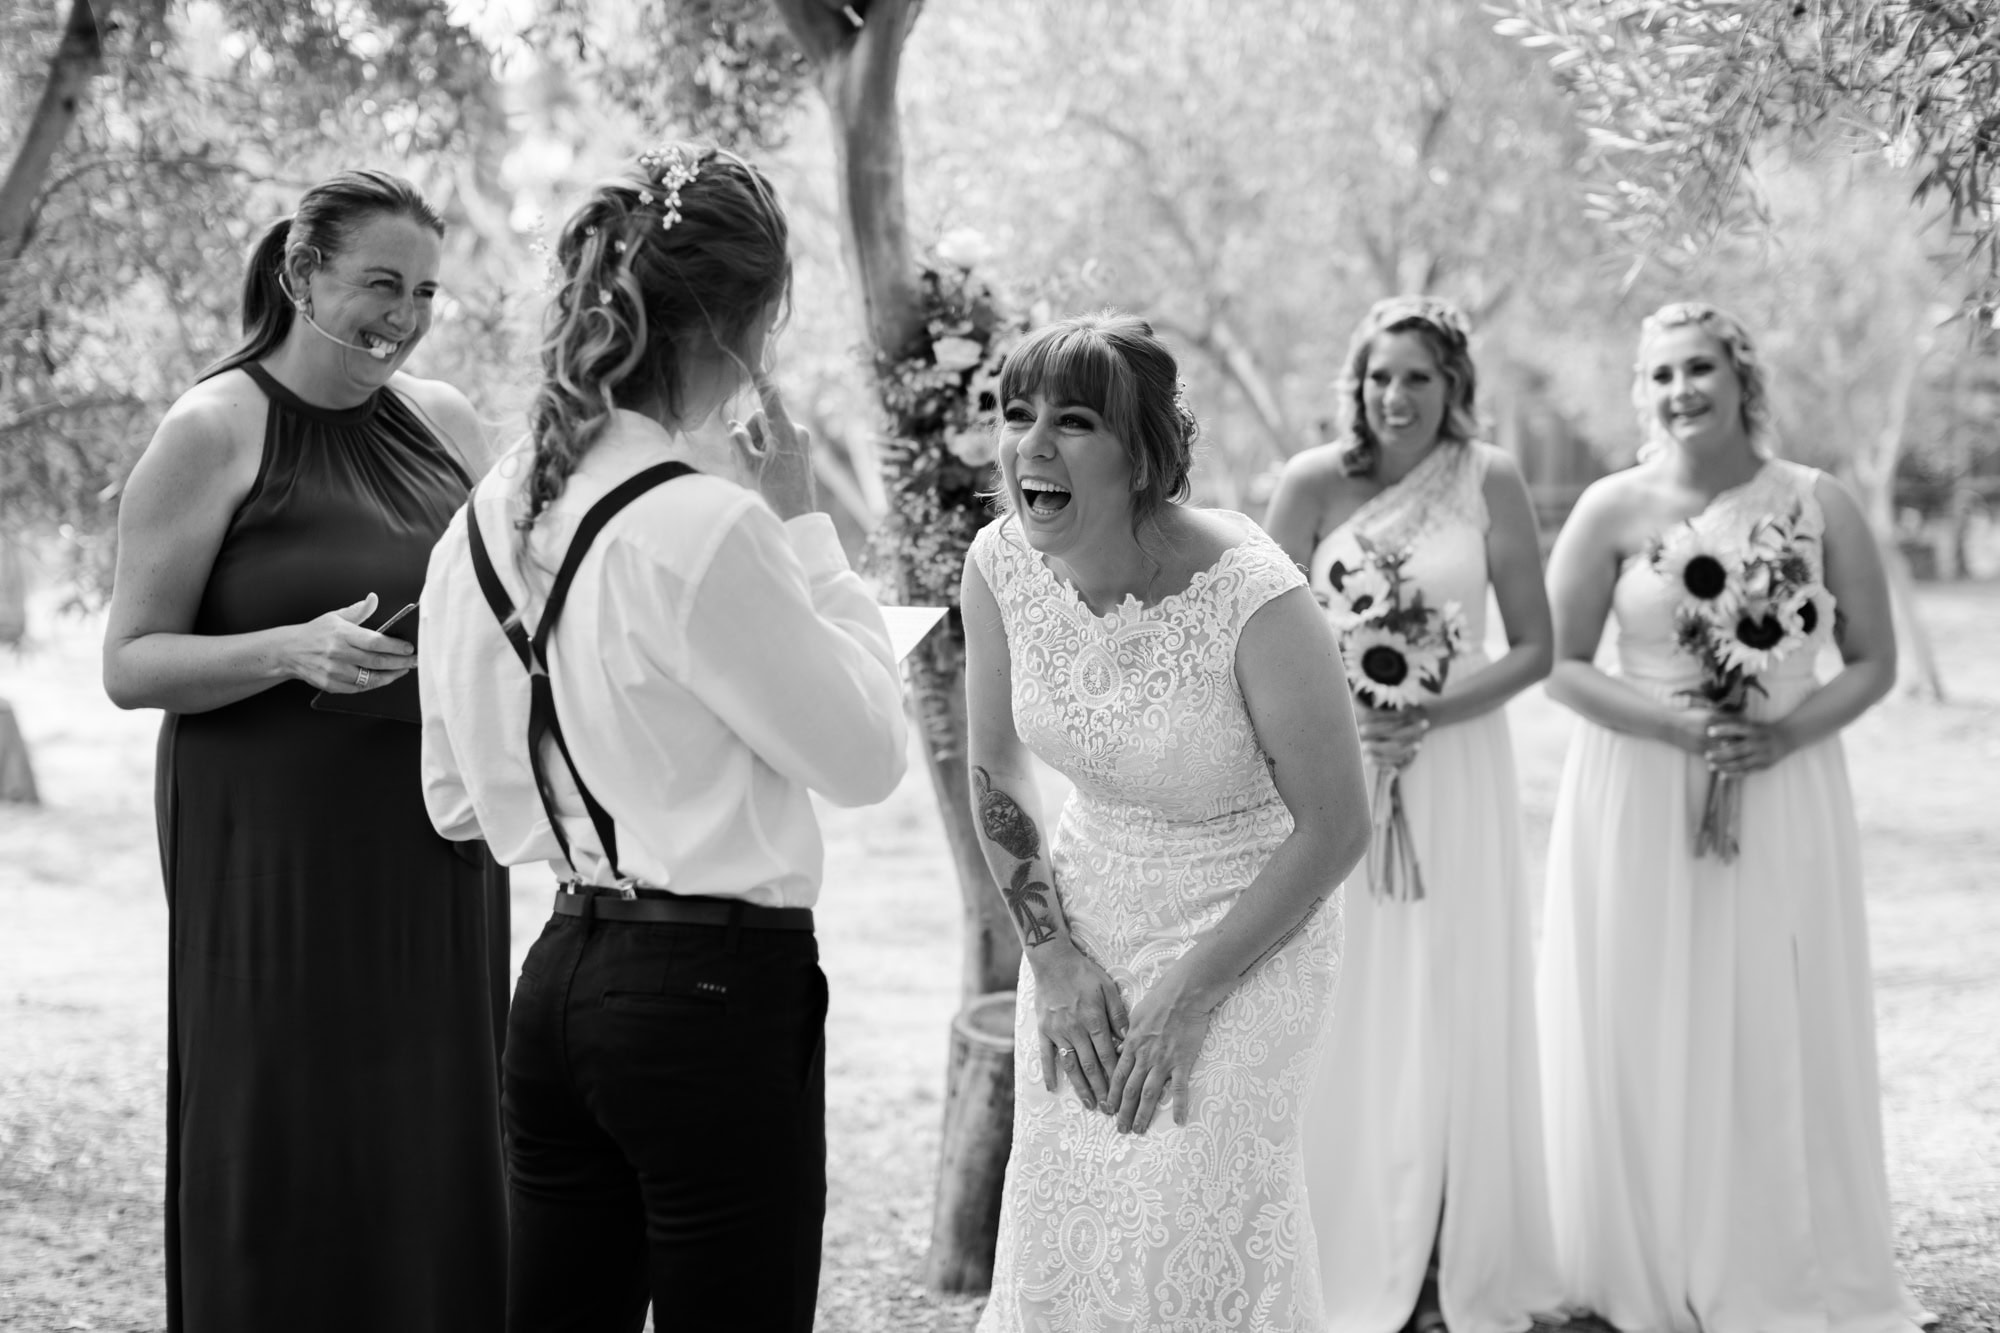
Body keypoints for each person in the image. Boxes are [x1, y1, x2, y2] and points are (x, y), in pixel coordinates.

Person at [417, 145, 908, 1333]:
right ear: (746, 324)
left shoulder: (481, 522)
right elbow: (863, 760)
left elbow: (458, 804)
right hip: (714, 1001)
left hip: (558, 982)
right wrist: (805, 529)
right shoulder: (711, 526)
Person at [101, 170, 509, 1331]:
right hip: (270, 854)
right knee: (285, 1115)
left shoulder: (450, 421)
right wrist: (290, 650)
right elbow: (130, 662)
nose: (406, 314)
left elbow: (503, 609)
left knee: (437, 1123)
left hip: (438, 841)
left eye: (425, 290)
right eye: (381, 283)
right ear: (299, 274)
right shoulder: (212, 428)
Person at [964, 312, 1370, 1331]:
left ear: (1142, 455)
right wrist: (1050, 956)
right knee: (1073, 1216)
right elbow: (995, 766)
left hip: (1249, 927)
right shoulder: (996, 564)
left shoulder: (1252, 596)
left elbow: (1332, 826)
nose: (1031, 447)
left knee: (1190, 1214)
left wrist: (1193, 988)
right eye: (1015, 417)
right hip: (1081, 920)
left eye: (1071, 422)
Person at [1538, 301, 1930, 1333]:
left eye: (1698, 368)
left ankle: (1774, 1252)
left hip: (1781, 783)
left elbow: (1875, 660)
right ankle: (1642, 1255)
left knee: (1769, 1010)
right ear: (1642, 389)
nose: (1680, 391)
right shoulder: (1609, 507)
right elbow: (1560, 666)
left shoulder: (1817, 502)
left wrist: (1783, 734)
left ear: (1740, 377)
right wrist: (1672, 730)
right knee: (1640, 1007)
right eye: (1661, 374)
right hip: (1634, 784)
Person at [1265, 296, 1562, 1333]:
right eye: (1378, 376)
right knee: (1344, 991)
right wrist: (1353, 717)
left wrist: (1422, 708)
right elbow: (1252, 640)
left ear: (1453, 389)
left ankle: (1451, 1253)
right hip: (1330, 767)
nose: (1394, 397)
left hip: (1457, 761)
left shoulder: (1490, 481)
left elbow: (1533, 644)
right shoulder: (1309, 483)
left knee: (1450, 989)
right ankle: (1331, 1244)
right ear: (1354, 381)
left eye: (1417, 379)